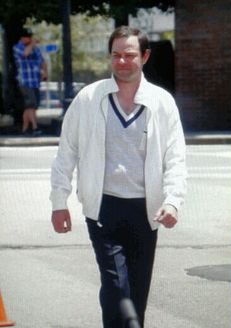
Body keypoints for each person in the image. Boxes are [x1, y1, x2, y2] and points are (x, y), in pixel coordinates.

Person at [50, 26, 187, 328]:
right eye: (116, 56)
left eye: (129, 55)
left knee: (136, 293)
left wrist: (173, 201)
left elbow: (175, 158)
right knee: (117, 290)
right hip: (104, 209)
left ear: (145, 56)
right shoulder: (89, 99)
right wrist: (59, 201)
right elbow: (66, 152)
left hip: (146, 211)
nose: (122, 62)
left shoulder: (162, 103)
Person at [12, 27, 48, 136]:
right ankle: (35, 127)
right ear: (22, 38)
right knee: (31, 104)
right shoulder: (17, 47)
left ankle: (25, 129)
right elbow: (25, 54)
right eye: (27, 37)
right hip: (25, 81)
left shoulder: (35, 49)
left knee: (30, 106)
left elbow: (42, 61)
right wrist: (32, 44)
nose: (29, 39)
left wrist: (45, 72)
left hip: (35, 81)